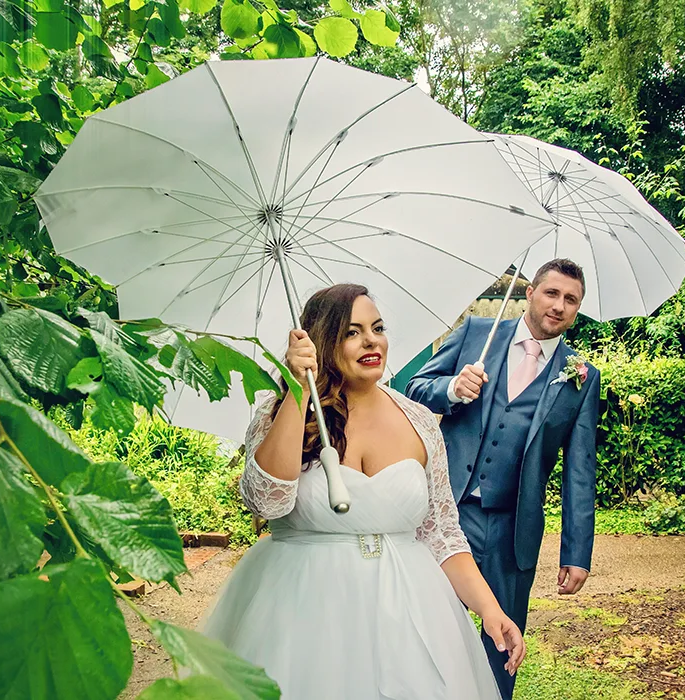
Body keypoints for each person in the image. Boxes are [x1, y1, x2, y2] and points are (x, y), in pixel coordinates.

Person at [201, 283, 525, 699]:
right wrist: (299, 391)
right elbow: (267, 500)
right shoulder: (281, 411)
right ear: (320, 342)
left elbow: (441, 532)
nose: (371, 340)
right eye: (352, 332)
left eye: (377, 327)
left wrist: (490, 608)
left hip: (409, 610)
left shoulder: (420, 421)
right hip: (302, 610)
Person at [404, 258, 600, 699]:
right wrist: (453, 389)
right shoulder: (477, 333)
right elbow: (416, 388)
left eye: (571, 300)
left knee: (503, 645)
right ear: (529, 293)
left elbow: (580, 470)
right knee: (431, 627)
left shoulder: (582, 376)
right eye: (552, 293)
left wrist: (577, 552)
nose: (559, 306)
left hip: (514, 528)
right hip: (449, 513)